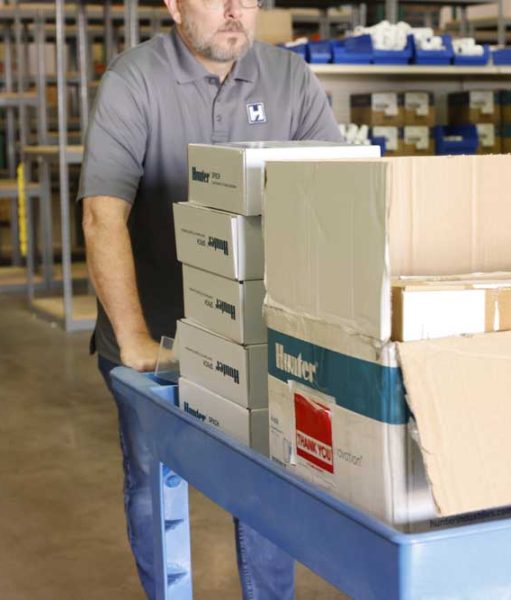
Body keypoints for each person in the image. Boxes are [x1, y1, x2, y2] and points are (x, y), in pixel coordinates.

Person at [78, 0, 343, 597]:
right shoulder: (134, 80)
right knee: (151, 478)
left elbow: (336, 194)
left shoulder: (290, 79)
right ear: (173, 5)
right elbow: (102, 217)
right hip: (153, 331)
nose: (233, 10)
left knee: (267, 488)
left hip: (254, 331)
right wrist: (134, 341)